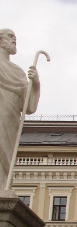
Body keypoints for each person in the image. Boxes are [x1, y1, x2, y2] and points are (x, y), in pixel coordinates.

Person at [0, 29, 40, 190]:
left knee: (6, 153)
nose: (14, 39)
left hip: (10, 118)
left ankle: (4, 186)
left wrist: (35, 84)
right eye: (10, 36)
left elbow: (28, 106)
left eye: (14, 36)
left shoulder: (17, 71)